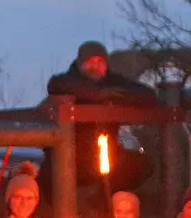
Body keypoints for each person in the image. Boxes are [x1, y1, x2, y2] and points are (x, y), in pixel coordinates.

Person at [43, 40, 157, 198]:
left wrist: (118, 96)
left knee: (142, 165)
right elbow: (57, 84)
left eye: (100, 62)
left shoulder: (113, 81)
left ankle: (98, 199)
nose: (96, 66)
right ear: (80, 63)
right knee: (51, 174)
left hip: (107, 154)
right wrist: (99, 95)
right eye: (91, 62)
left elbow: (148, 94)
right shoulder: (66, 81)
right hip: (72, 157)